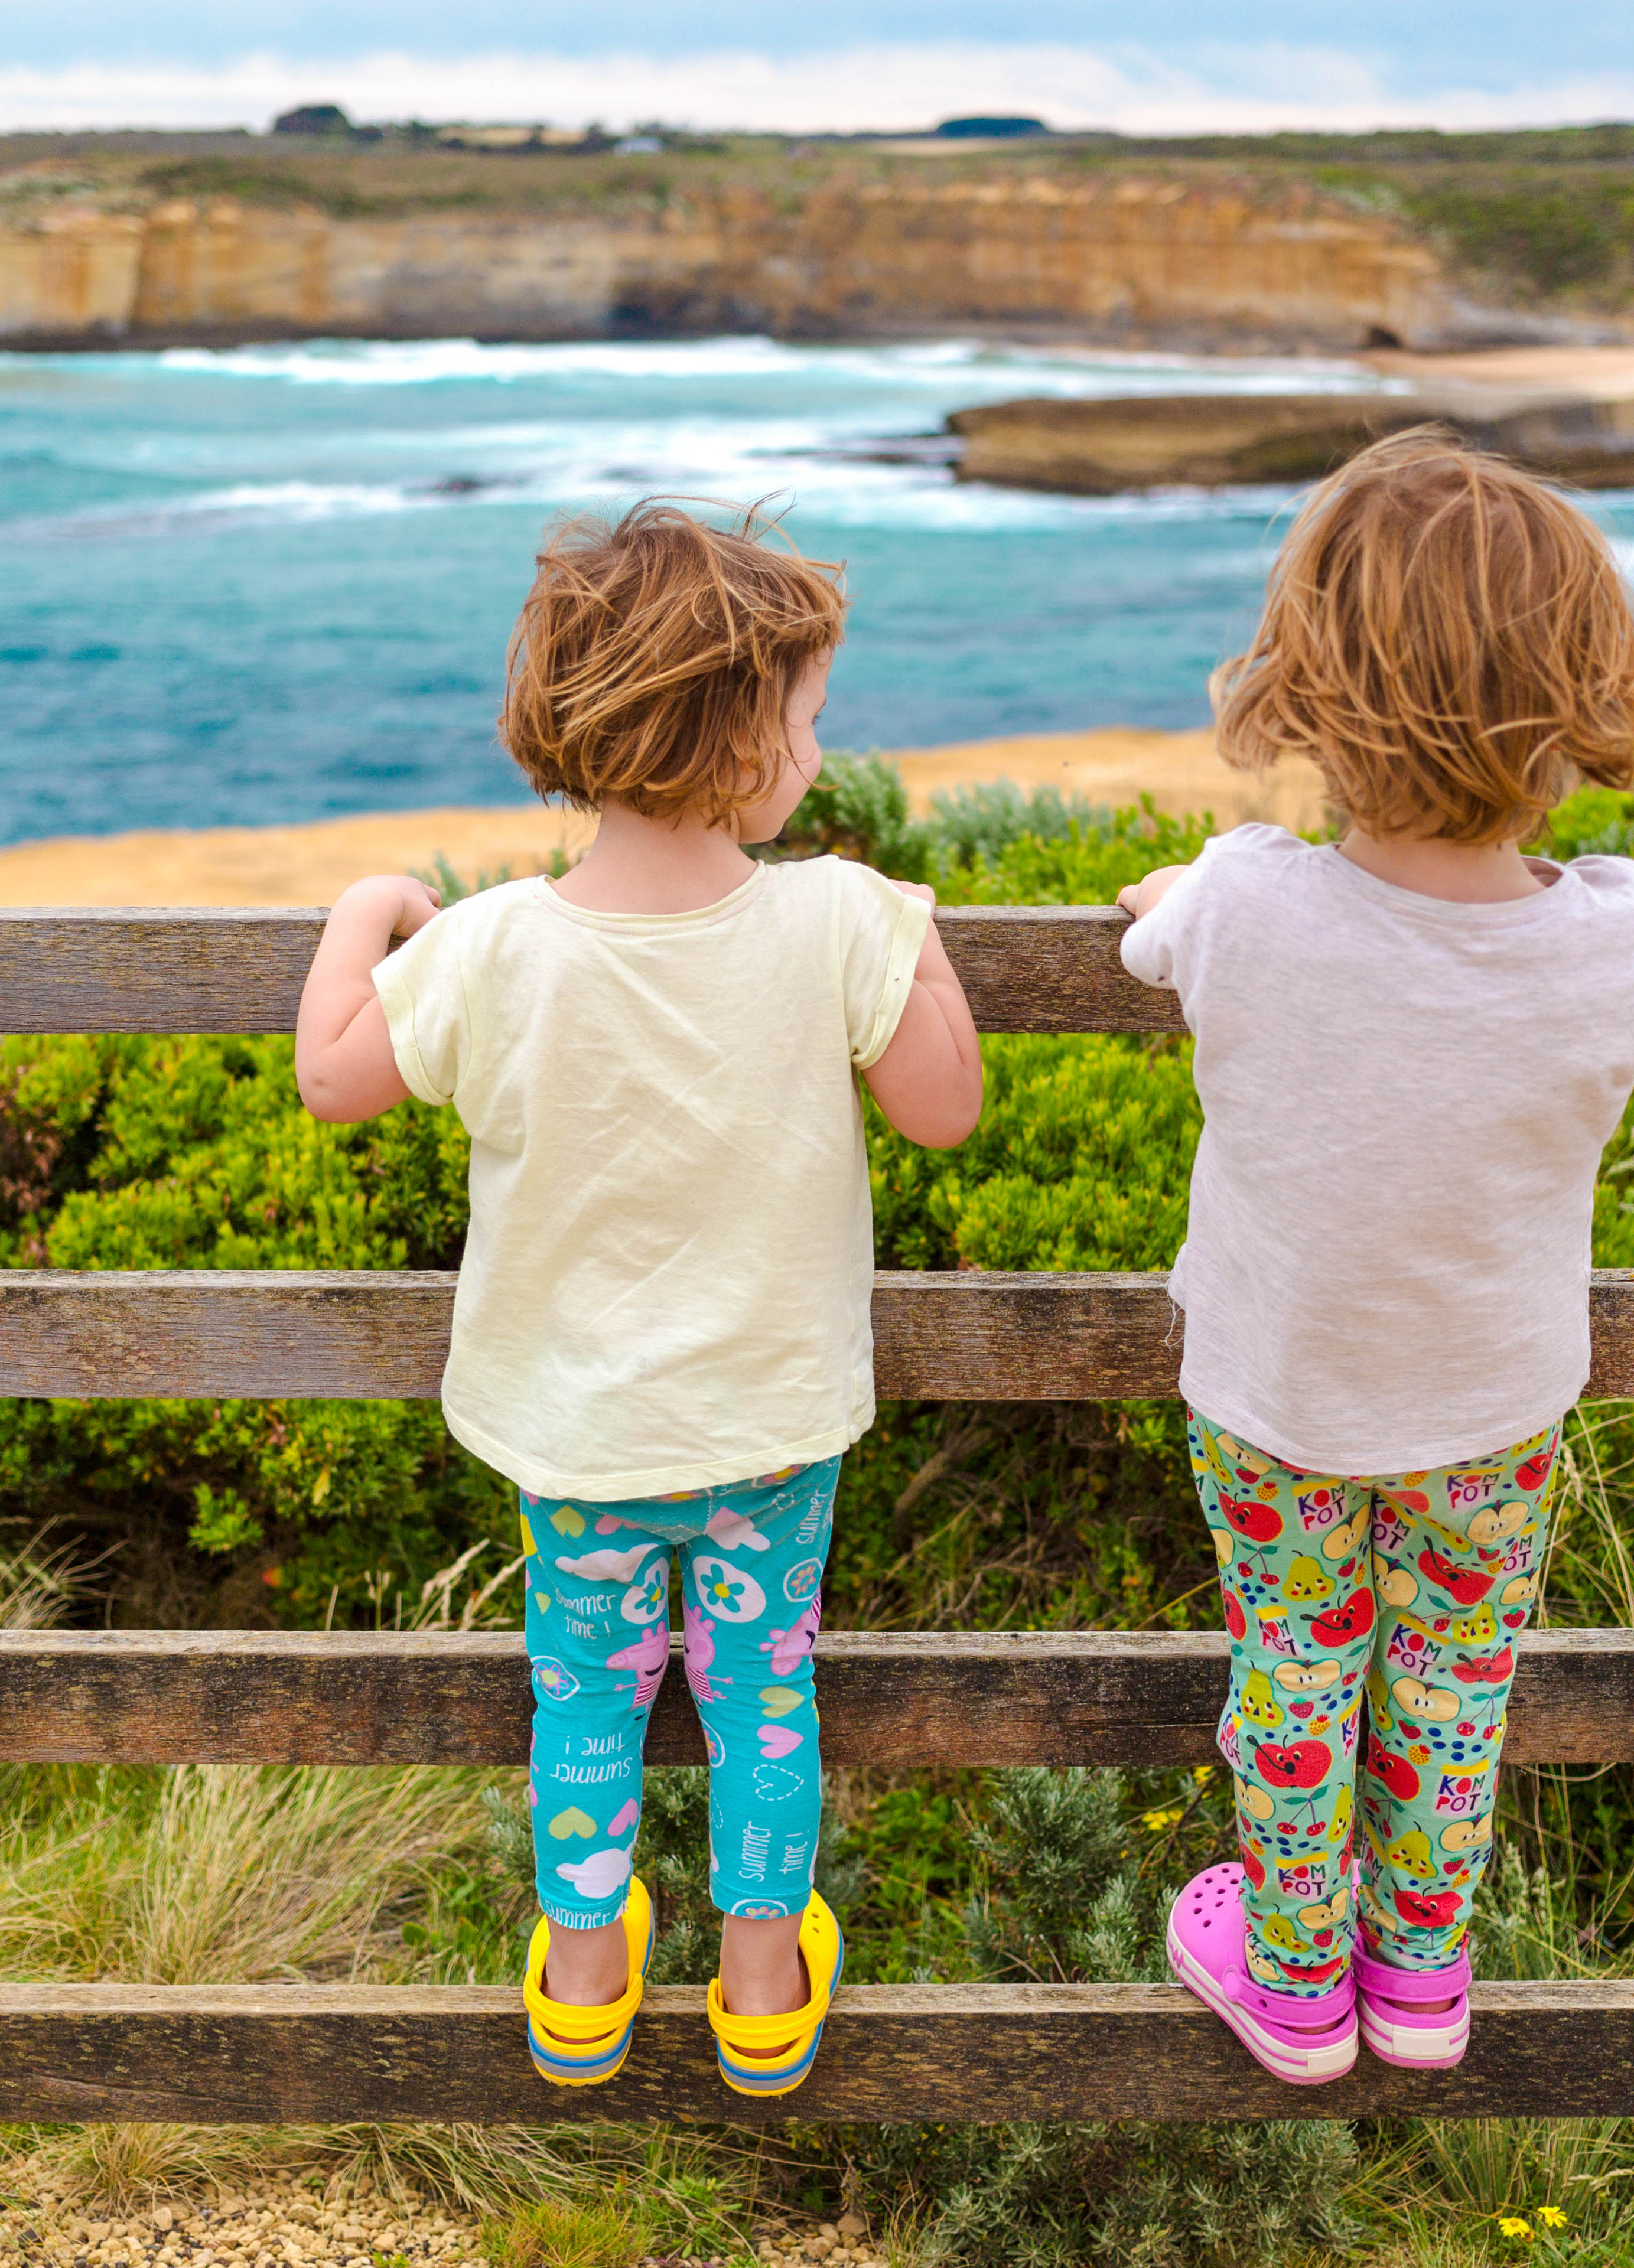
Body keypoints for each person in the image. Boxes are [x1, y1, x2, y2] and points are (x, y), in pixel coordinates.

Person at [296, 501, 985, 2098]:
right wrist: (915, 938)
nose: (820, 748)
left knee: (585, 1693)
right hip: (768, 1428)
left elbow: (337, 1078)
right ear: (743, 739)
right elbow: (943, 1106)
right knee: (764, 1690)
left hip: (577, 1431)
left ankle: (587, 1981)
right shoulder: (834, 921)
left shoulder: (489, 945)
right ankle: (758, 1991)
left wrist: (360, 915)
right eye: (809, 719)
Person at [1115, 433, 1634, 2084]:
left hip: (1278, 1396)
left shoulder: (1242, 904)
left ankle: (1299, 1981)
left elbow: (1171, 925)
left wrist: (1202, 883)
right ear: (1578, 691)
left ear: (1313, 689)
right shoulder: (1624, 932)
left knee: (1296, 1669)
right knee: (1456, 1685)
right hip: (1493, 1404)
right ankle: (1423, 1974)